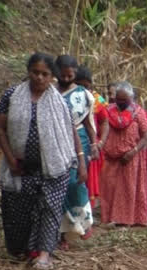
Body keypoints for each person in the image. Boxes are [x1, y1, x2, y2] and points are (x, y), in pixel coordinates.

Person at [0, 52, 85, 270]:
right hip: (21, 167)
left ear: (52, 77)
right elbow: (0, 129)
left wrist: (81, 160)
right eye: (35, 72)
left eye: (45, 74)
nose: (39, 78)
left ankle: (44, 255)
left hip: (55, 167)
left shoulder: (59, 102)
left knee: (50, 208)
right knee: (18, 211)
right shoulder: (12, 95)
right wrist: (10, 159)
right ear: (28, 72)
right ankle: (24, 249)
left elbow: (70, 130)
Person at [99, 81, 147, 227]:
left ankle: (126, 220)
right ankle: (110, 218)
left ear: (131, 98)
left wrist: (133, 152)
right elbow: (101, 128)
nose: (121, 102)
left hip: (130, 158)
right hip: (110, 158)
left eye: (124, 99)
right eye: (118, 99)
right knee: (109, 187)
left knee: (127, 189)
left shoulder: (138, 112)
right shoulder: (108, 110)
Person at [55, 55, 96, 245]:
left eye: (69, 75)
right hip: (54, 141)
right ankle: (62, 233)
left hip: (79, 140)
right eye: (62, 75)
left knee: (75, 181)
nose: (65, 79)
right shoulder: (49, 92)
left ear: (74, 74)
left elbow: (88, 123)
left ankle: (82, 223)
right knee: (57, 185)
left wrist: (94, 144)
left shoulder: (83, 95)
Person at [74, 66, 107, 209]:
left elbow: (105, 122)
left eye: (86, 86)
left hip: (91, 145)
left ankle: (87, 212)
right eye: (79, 85)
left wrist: (100, 143)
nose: (83, 89)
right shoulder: (68, 97)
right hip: (72, 144)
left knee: (89, 178)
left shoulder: (97, 100)